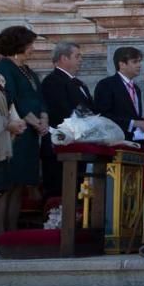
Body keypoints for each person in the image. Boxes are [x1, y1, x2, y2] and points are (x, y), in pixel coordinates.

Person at [0, 27, 48, 233]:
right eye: (30, 44)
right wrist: (35, 122)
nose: (33, 49)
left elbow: (39, 98)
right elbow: (12, 100)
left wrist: (43, 117)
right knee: (5, 188)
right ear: (19, 45)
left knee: (19, 186)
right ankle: (0, 236)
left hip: (30, 135)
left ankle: (12, 233)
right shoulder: (4, 68)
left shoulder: (28, 70)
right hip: (14, 134)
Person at [40, 42, 93, 200]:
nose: (80, 60)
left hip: (77, 145)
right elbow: (61, 111)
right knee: (60, 191)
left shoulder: (78, 83)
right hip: (60, 146)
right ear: (63, 58)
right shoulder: (53, 81)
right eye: (77, 56)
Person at [0, 64, 29, 236]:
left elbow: (6, 106)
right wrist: (9, 124)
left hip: (0, 145)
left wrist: (15, 121)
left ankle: (1, 236)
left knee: (0, 192)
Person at [94, 46, 144, 142]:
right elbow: (102, 116)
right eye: (135, 62)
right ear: (122, 64)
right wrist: (133, 123)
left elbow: (133, 116)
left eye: (139, 61)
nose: (139, 65)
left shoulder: (136, 88)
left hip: (135, 141)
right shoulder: (106, 85)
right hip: (116, 142)